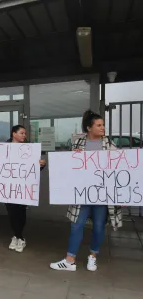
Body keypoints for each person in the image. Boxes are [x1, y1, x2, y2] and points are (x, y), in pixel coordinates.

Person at [50, 110, 122, 272]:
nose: (103, 128)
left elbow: (119, 170)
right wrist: (72, 158)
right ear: (89, 128)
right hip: (82, 193)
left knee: (98, 226)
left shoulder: (110, 145)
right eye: (99, 125)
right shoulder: (78, 144)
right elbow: (70, 167)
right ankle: (70, 260)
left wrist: (121, 194)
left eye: (103, 125)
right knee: (77, 225)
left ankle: (93, 257)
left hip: (102, 195)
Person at [6, 125, 46, 253]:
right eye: (22, 133)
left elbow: (33, 169)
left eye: (25, 133)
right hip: (7, 186)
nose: (24, 135)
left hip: (22, 187)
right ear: (14, 134)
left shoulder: (30, 149)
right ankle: (17, 236)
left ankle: (19, 237)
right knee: (11, 213)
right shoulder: (3, 148)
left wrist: (41, 165)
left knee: (20, 212)